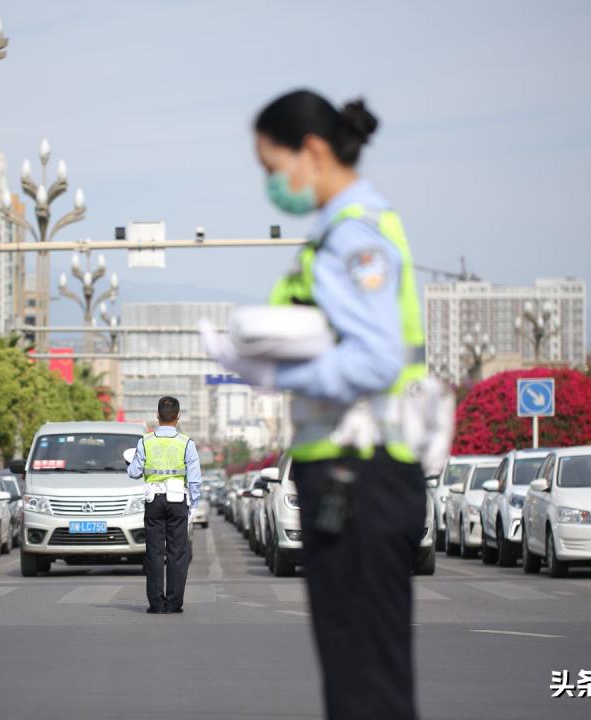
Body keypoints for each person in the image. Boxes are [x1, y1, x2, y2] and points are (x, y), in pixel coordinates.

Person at [206, 90, 427, 720]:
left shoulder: (353, 236)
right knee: (355, 672)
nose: (272, 184)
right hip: (351, 471)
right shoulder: (343, 231)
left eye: (272, 168)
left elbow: (378, 357)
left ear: (313, 151)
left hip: (361, 471)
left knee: (366, 680)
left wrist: (275, 367)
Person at [126, 396, 202, 614]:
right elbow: (195, 479)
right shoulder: (186, 443)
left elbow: (133, 472)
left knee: (155, 552)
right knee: (178, 552)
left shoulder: (145, 441)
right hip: (178, 501)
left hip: (154, 502)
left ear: (157, 416)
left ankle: (156, 604)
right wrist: (194, 505)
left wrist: (129, 464)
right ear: (178, 418)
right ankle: (174, 602)